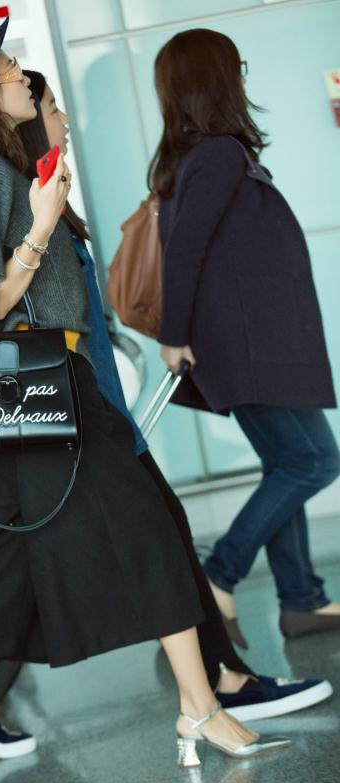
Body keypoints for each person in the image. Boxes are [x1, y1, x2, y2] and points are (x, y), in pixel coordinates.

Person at [0, 19, 290, 783]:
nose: (24, 75)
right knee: (153, 532)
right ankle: (201, 705)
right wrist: (38, 227)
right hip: (42, 392)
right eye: (8, 69)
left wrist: (46, 208)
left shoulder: (10, 169)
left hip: (54, 391)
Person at [149, 29, 340, 648]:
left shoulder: (195, 157)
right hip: (253, 347)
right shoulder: (219, 154)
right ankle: (219, 574)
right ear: (218, 80)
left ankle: (302, 600)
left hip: (250, 345)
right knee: (315, 460)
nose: (244, 78)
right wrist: (173, 335)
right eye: (240, 68)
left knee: (288, 462)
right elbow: (185, 252)